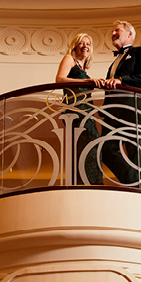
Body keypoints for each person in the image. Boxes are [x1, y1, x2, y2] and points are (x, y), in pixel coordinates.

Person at [100, 20, 141, 190]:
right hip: (112, 112)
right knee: (105, 150)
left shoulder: (140, 51)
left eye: (117, 30)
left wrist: (121, 80)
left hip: (133, 106)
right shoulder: (114, 62)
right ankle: (138, 184)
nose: (113, 33)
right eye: (112, 31)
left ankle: (139, 188)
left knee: (134, 149)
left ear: (130, 34)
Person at [55, 33, 105, 185]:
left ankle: (92, 183)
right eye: (81, 43)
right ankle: (84, 183)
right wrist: (88, 80)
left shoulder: (83, 67)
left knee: (92, 146)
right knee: (86, 145)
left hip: (86, 111)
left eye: (88, 44)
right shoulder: (70, 59)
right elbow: (59, 79)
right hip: (76, 111)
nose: (85, 46)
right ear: (75, 46)